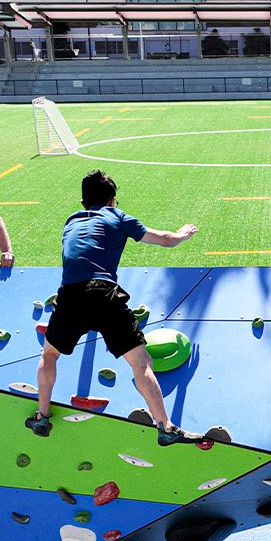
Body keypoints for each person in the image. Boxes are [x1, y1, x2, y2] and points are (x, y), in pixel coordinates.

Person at [28, 170, 205, 445]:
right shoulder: (117, 216)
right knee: (141, 363)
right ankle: (166, 427)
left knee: (49, 355)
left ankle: (41, 416)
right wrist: (182, 234)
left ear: (83, 203)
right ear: (112, 201)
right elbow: (165, 239)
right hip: (103, 294)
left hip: (70, 296)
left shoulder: (71, 220)